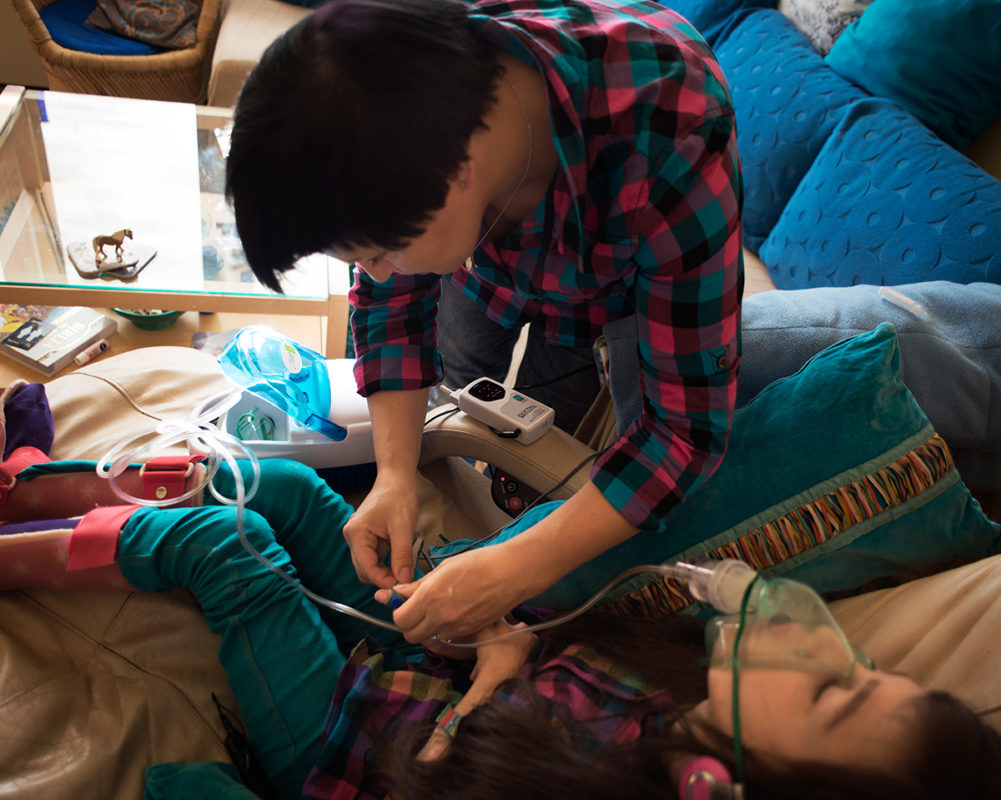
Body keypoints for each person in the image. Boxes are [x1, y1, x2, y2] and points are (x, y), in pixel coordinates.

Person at [224, 0, 744, 646]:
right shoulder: (404, 118)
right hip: (473, 252)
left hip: (615, 292)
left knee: (555, 450)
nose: (374, 275)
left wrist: (518, 566)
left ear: (457, 177)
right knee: (457, 399)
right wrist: (395, 474)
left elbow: (684, 435)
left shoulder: (675, 140)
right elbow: (389, 303)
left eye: (379, 253)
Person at [81, 459, 1000, 800]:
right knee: (274, 485)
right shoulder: (683, 692)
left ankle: (26, 550)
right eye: (860, 663)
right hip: (416, 666)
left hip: (342, 744)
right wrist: (501, 640)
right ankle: (38, 485)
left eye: (833, 690)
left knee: (224, 543)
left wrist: (478, 696)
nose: (819, 645)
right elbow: (553, 669)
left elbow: (428, 776)